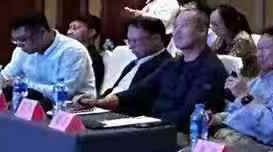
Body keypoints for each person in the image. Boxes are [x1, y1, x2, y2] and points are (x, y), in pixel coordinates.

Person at [80, 7, 225, 127]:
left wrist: (149, 123)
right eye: (175, 26)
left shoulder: (211, 69)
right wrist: (101, 102)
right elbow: (141, 89)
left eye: (184, 26)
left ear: (202, 31)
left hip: (175, 133)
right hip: (152, 126)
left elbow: (189, 115)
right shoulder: (173, 64)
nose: (177, 32)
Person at [208, 25, 273, 150]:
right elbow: (237, 114)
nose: (259, 55)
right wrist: (217, 118)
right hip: (229, 136)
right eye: (258, 49)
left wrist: (245, 97)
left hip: (256, 146)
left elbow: (272, 129)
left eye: (265, 49)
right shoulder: (260, 79)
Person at [2, 11, 97, 103]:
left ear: (42, 32)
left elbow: (64, 93)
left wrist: (23, 84)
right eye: (15, 40)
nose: (19, 44)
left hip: (75, 107)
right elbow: (6, 77)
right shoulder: (22, 50)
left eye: (23, 39)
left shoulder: (72, 51)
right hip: (33, 105)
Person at [100, 17, 171, 98]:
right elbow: (115, 89)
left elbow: (140, 98)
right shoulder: (133, 63)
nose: (130, 47)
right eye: (129, 41)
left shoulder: (166, 66)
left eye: (134, 41)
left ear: (156, 39)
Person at [211, 4, 259, 78]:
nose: (212, 28)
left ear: (229, 24)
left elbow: (228, 64)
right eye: (211, 24)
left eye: (215, 25)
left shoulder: (243, 40)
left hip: (244, 78)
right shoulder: (221, 38)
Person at [66, 13, 106, 92]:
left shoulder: (93, 59)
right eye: (69, 28)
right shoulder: (68, 54)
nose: (69, 32)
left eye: (75, 28)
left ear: (91, 32)